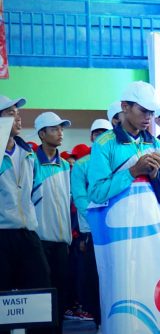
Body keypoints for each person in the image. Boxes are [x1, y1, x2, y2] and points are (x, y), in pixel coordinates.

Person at [0, 96, 53, 331]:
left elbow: (34, 189)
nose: (18, 118)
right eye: (10, 113)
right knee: (3, 299)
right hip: (2, 234)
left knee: (40, 291)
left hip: (28, 233)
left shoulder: (28, 152)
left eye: (18, 113)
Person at [87, 82, 160, 207]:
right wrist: (133, 171)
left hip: (151, 219)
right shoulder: (103, 144)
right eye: (143, 110)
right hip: (117, 219)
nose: (148, 117)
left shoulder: (158, 146)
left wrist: (155, 175)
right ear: (125, 107)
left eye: (151, 112)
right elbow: (96, 194)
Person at [32, 112, 72, 334]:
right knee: (41, 297)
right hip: (39, 241)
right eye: (55, 129)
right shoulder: (31, 162)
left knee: (62, 295)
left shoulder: (65, 165)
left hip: (62, 242)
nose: (60, 133)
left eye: (61, 128)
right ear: (42, 134)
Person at [69, 119, 110, 330]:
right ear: (91, 137)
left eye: (105, 132)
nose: (101, 136)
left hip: (116, 232)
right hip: (91, 232)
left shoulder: (116, 161)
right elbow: (80, 198)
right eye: (97, 132)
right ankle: (98, 323)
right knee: (92, 282)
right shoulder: (82, 165)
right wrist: (98, 219)